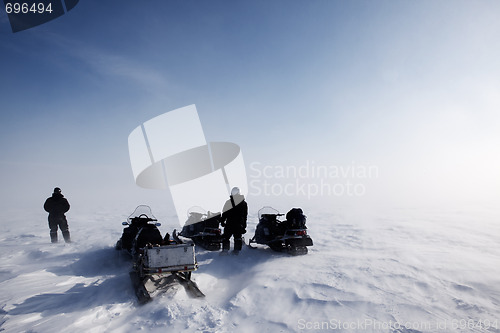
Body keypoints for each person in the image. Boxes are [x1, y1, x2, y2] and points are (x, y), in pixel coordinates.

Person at [220, 187, 248, 254]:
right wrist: (244, 226)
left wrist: (222, 221)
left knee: (227, 237)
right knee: (237, 237)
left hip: (230, 223)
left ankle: (225, 251)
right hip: (238, 224)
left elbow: (224, 213)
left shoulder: (229, 202)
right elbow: (245, 216)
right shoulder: (243, 203)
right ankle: (236, 251)